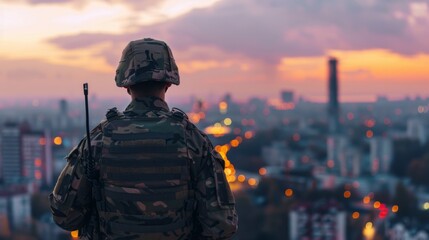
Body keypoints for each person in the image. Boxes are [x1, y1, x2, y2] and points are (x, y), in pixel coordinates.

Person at [49, 38, 238, 240]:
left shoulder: (98, 141)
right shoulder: (193, 142)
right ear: (168, 82)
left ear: (125, 84)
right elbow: (222, 225)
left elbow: (65, 216)